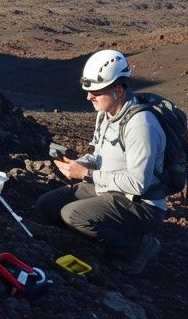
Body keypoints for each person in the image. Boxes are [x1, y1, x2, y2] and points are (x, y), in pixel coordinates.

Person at [36, 49, 166, 275]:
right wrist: (77, 163)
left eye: (95, 92)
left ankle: (138, 247)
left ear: (118, 89)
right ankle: (96, 236)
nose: (89, 98)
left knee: (72, 215)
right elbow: (98, 154)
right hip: (109, 189)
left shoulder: (140, 126)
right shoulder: (105, 114)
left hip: (141, 204)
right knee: (46, 205)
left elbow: (138, 184)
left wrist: (86, 175)